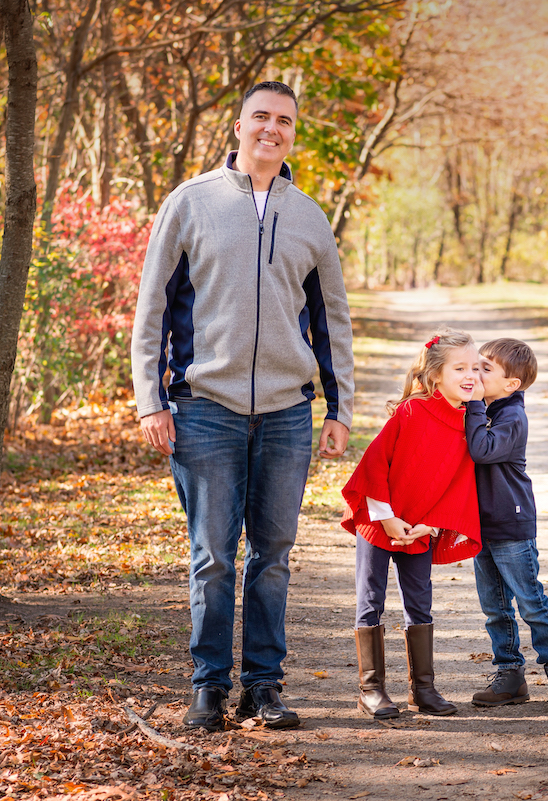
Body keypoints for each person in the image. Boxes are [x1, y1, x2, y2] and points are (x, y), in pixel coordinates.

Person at [131, 80, 355, 732]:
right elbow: (150, 310)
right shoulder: (191, 203)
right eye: (261, 116)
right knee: (213, 555)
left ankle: (263, 688)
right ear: (238, 125)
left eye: (284, 120)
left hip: (287, 412)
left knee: (274, 556)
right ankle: (208, 689)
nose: (271, 128)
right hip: (205, 408)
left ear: (292, 132)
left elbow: (331, 318)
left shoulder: (310, 217)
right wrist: (151, 400)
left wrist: (339, 409)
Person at [341, 329, 482, 719]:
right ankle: (370, 690)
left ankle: (423, 689)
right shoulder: (411, 412)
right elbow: (373, 467)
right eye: (460, 368)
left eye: (475, 368)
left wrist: (432, 527)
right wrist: (386, 519)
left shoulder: (469, 423)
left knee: (420, 601)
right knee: (371, 599)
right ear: (436, 375)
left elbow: (458, 487)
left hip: (422, 529)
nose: (471, 375)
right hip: (381, 521)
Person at [464, 338, 548, 711]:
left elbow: (480, 450)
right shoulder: (487, 409)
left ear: (511, 384)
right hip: (480, 525)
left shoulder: (512, 416)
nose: (474, 374)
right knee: (495, 608)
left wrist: (470, 404)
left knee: (531, 603)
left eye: (485, 369)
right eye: (474, 366)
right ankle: (510, 676)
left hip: (511, 526)